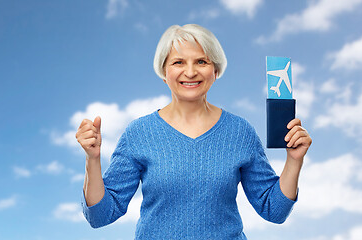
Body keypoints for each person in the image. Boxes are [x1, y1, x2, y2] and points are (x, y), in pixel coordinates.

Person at [75, 24, 312, 239]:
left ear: (215, 71)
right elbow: (101, 216)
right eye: (178, 62)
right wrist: (92, 160)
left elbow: (274, 210)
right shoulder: (139, 133)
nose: (190, 72)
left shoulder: (240, 132)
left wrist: (293, 161)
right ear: (164, 71)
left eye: (201, 61)